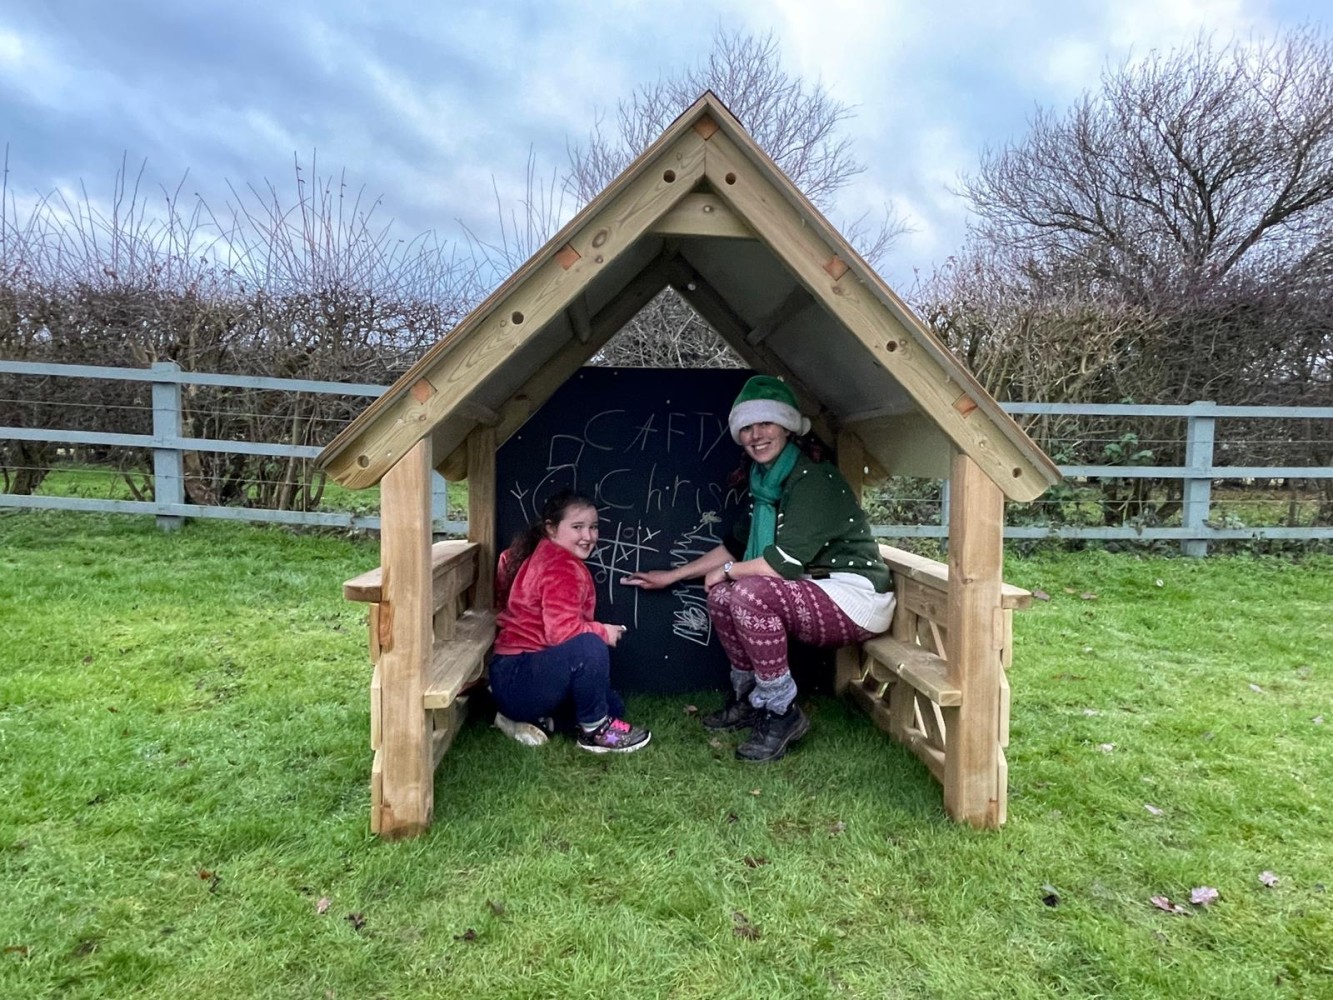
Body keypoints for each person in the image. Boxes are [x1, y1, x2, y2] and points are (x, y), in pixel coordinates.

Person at [623, 375, 894, 762]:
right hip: (813, 589)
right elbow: (734, 546)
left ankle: (782, 711)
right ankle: (752, 698)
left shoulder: (812, 478)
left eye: (764, 423)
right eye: (746, 428)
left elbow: (781, 564)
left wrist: (732, 570)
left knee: (748, 591)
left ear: (786, 426)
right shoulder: (766, 484)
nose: (755, 435)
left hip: (855, 596)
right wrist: (672, 575)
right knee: (720, 595)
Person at [489, 489, 651, 754]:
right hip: (519, 678)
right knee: (589, 647)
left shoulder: (542, 553)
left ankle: (538, 721)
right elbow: (562, 633)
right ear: (551, 529)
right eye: (578, 527)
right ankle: (595, 733)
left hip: (512, 677)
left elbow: (506, 559)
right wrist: (603, 632)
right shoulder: (561, 566)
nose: (588, 536)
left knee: (612, 705)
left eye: (593, 527)